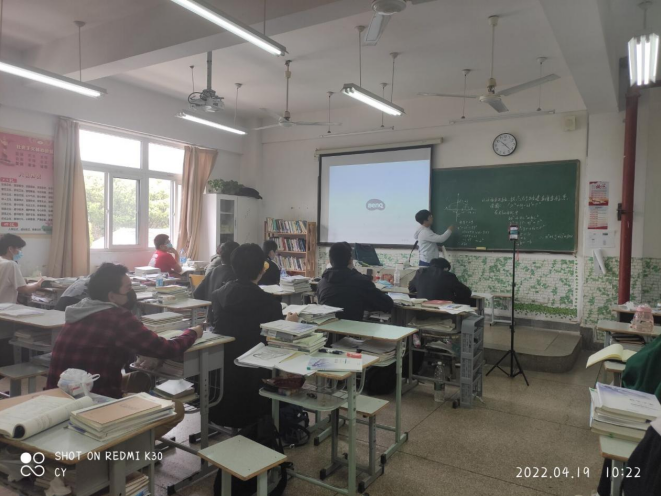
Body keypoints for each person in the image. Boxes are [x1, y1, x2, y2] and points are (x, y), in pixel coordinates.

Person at [46, 263, 203, 436]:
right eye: (128, 288)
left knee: (139, 379)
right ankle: (125, 443)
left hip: (59, 396)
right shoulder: (118, 317)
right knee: (176, 409)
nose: (131, 293)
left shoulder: (80, 310)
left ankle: (134, 428)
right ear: (112, 296)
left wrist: (145, 352)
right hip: (91, 403)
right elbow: (168, 349)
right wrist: (193, 332)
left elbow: (110, 345)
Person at [209, 243, 298, 429]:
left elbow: (214, 325)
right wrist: (290, 323)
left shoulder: (217, 296)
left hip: (221, 386)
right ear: (262, 270)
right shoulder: (270, 304)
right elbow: (278, 340)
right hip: (257, 387)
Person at [317, 242, 393, 321]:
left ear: (330, 260)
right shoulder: (361, 281)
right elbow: (387, 304)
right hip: (352, 327)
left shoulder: (322, 283)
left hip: (327, 326)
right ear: (350, 261)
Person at [194, 241, 239, 323]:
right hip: (225, 320)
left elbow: (197, 293)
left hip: (211, 317)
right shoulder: (234, 275)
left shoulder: (214, 271)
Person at [0, 234, 44, 304]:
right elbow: (23, 289)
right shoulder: (11, 264)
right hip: (4, 307)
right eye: (19, 248)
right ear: (10, 249)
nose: (20, 251)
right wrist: (38, 284)